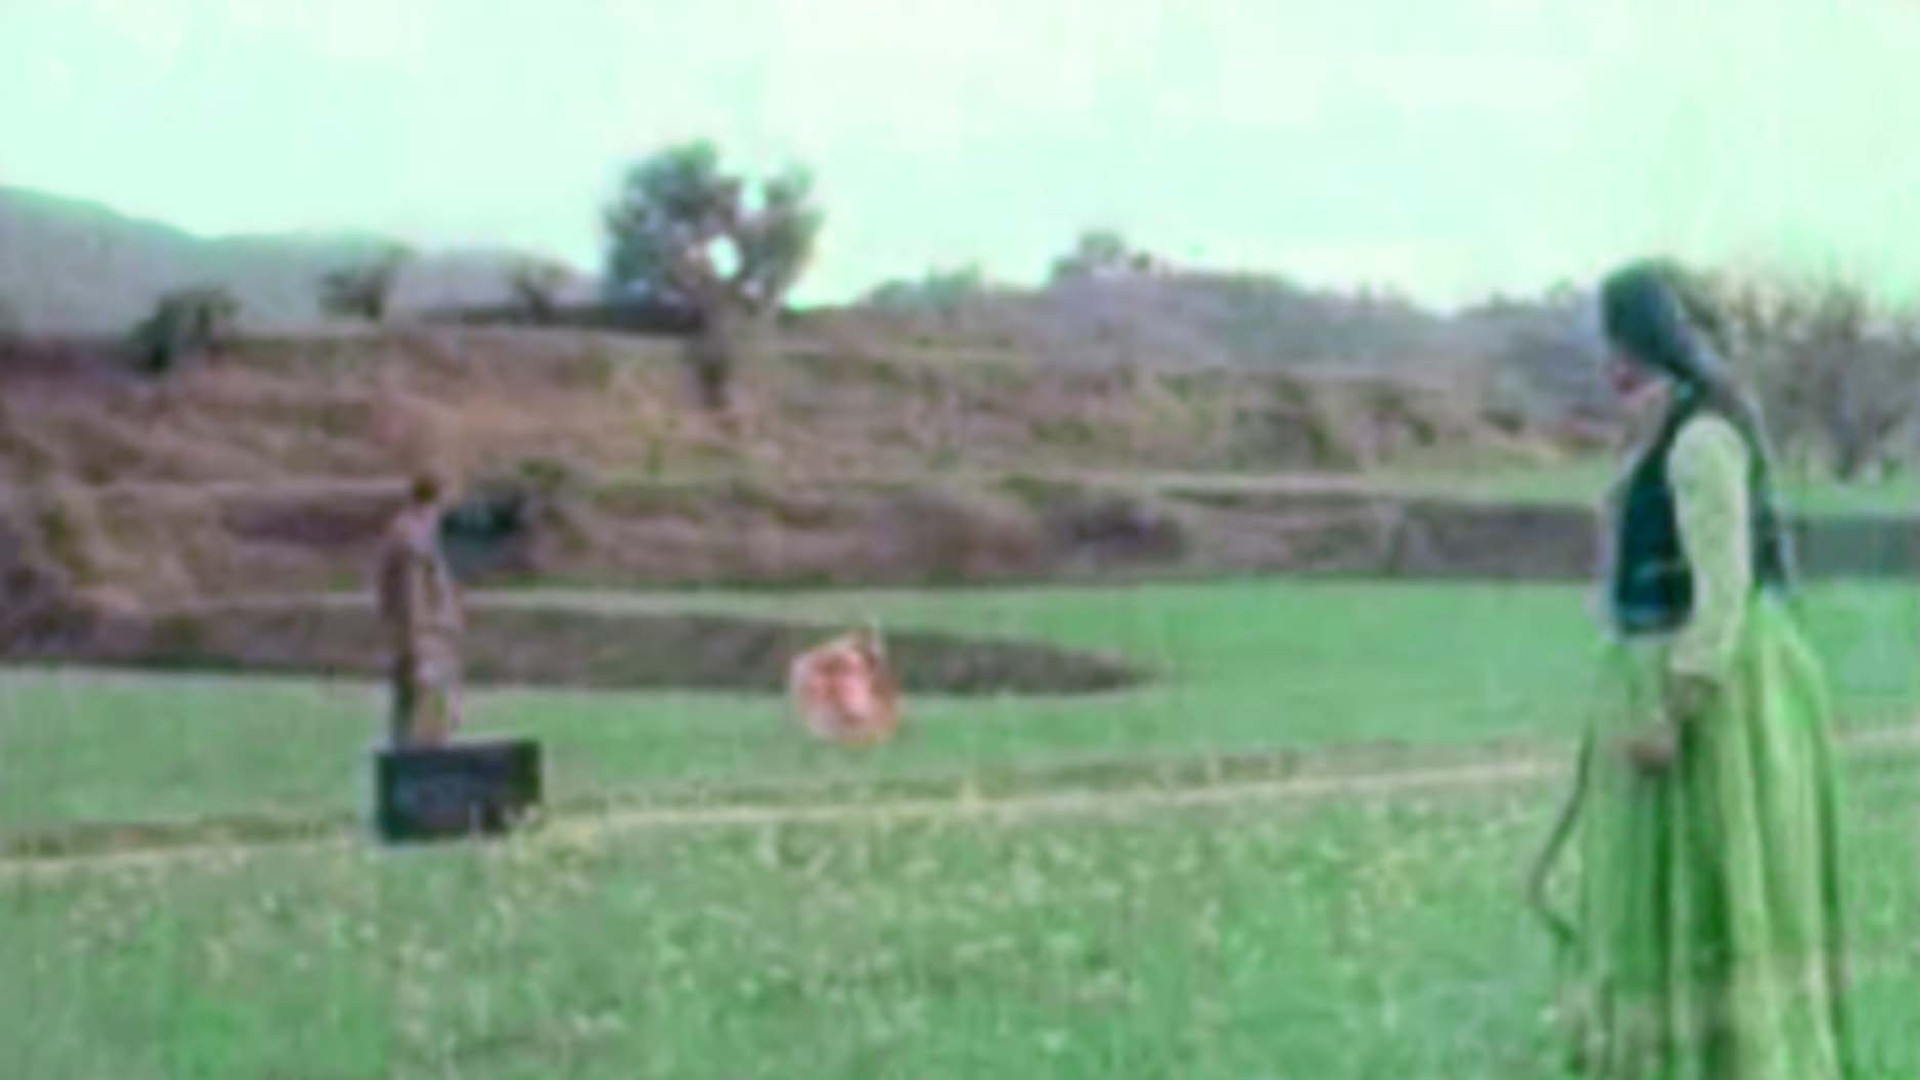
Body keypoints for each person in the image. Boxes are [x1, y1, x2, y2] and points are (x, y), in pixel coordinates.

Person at [1530, 260, 1848, 1077]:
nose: (1611, 365)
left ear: (1653, 344)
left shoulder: (1703, 440)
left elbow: (1722, 589)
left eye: (1622, 345)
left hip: (1712, 693)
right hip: (1660, 670)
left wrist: (1677, 705)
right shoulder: (1665, 434)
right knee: (1659, 886)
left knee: (1712, 879)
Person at [377, 471, 465, 747]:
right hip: (425, 647)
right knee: (424, 732)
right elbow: (411, 601)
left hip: (426, 644)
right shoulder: (412, 539)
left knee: (418, 726)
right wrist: (420, 656)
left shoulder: (415, 533)